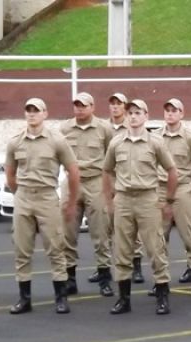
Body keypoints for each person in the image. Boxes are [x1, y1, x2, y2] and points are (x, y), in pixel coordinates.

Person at [102, 99, 178, 315]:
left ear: (146, 116)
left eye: (138, 112)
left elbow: (172, 170)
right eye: (130, 113)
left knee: (155, 248)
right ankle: (123, 299)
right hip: (124, 200)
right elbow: (107, 170)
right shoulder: (116, 143)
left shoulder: (155, 142)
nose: (133, 116)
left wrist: (168, 200)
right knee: (122, 250)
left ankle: (162, 295)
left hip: (147, 199)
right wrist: (109, 200)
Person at [6, 98, 80, 314]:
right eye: (28, 110)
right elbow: (10, 174)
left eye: (36, 110)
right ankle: (24, 299)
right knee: (22, 250)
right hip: (24, 197)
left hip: (47, 197)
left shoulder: (57, 140)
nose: (32, 114)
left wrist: (71, 202)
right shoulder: (15, 141)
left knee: (56, 248)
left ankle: (61, 297)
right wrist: (19, 194)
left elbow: (73, 171)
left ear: (45, 114)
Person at [59, 92, 115, 298]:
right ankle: (70, 279)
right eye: (76, 105)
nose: (79, 109)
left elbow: (112, 156)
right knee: (67, 232)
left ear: (92, 107)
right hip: (72, 183)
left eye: (83, 105)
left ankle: (104, 278)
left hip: (96, 181)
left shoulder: (104, 128)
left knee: (101, 232)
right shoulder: (64, 128)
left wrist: (111, 186)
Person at [155, 98, 191, 297]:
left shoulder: (190, 137)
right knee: (159, 237)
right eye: (167, 110)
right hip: (161, 189)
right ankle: (160, 280)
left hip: (183, 188)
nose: (170, 113)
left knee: (190, 235)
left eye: (174, 110)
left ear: (181, 113)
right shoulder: (155, 137)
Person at [101, 92, 146, 285]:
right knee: (107, 227)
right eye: (112, 103)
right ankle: (106, 267)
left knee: (132, 231)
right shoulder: (103, 128)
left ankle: (136, 265)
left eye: (119, 103)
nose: (115, 107)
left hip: (129, 183)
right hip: (110, 180)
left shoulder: (132, 127)